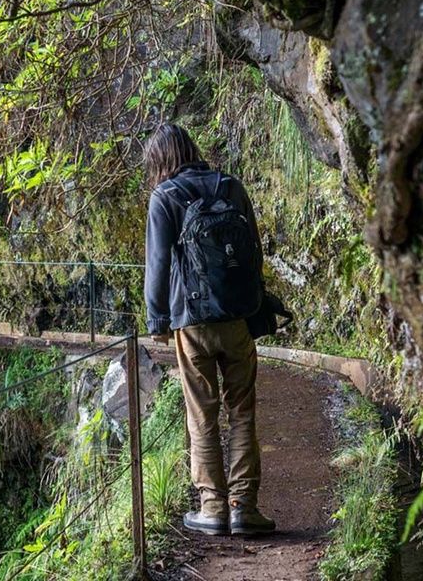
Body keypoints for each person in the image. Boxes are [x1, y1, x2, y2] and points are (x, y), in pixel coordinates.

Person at [143, 123, 275, 536]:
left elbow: (158, 264)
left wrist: (157, 320)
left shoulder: (164, 196)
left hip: (192, 321)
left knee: (201, 414)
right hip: (237, 317)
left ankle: (213, 507)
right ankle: (244, 508)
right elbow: (253, 250)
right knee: (242, 411)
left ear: (160, 159)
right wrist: (255, 304)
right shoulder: (230, 187)